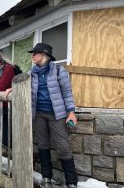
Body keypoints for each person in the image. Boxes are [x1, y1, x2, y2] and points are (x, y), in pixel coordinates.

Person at [28, 43, 78, 188]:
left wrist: (71, 112)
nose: (32, 56)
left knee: (63, 147)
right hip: (39, 114)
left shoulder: (58, 70)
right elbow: (22, 85)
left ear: (45, 55)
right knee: (43, 145)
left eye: (35, 53)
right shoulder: (32, 72)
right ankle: (46, 178)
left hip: (57, 114)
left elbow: (67, 93)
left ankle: (71, 182)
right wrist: (10, 89)